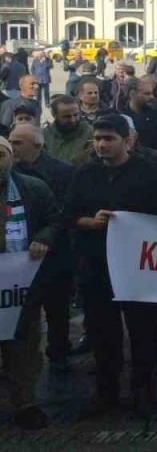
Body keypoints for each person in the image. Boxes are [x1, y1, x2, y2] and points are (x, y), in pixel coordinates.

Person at [66, 114, 157, 418]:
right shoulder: (85, 173)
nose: (101, 145)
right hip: (97, 264)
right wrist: (89, 222)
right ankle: (106, 392)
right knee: (102, 333)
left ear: (127, 140)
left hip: (139, 264)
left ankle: (144, 392)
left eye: (108, 139)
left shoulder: (150, 173)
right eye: (97, 138)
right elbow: (68, 213)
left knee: (144, 332)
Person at [0, 134, 60, 430]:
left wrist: (43, 238)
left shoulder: (33, 188)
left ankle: (25, 403)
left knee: (24, 346)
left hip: (19, 284)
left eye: (0, 155)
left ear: (12, 158)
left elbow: (54, 219)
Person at [43, 95, 93, 166]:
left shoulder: (89, 133)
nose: (72, 120)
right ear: (54, 115)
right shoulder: (44, 134)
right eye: (67, 117)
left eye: (76, 115)